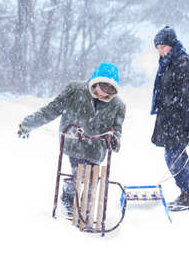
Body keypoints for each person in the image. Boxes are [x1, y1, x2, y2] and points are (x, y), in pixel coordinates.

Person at [17, 62, 126, 216]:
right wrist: (29, 124)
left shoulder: (118, 105)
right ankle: (68, 198)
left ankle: (85, 212)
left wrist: (115, 140)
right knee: (79, 175)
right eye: (102, 88)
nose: (104, 94)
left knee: (91, 181)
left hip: (97, 148)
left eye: (109, 91)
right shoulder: (75, 90)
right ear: (95, 82)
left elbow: (117, 128)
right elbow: (51, 109)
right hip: (75, 142)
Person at [151, 26, 189, 211]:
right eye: (158, 48)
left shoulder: (182, 62)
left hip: (180, 119)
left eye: (163, 47)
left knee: (175, 156)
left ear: (171, 44)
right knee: (171, 155)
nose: (160, 51)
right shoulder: (168, 62)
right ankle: (185, 192)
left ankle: (187, 195)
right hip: (169, 118)